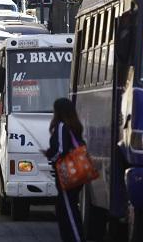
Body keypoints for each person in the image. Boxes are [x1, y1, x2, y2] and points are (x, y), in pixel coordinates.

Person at [45, 98, 85, 242]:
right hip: (76, 174)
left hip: (67, 174)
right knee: (66, 208)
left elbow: (61, 150)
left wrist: (51, 157)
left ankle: (75, 238)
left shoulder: (62, 126)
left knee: (68, 210)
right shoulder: (74, 126)